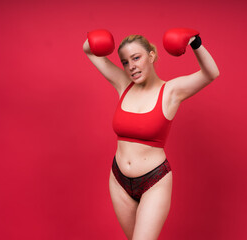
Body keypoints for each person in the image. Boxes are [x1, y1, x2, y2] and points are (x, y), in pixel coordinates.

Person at [83, 28, 220, 240]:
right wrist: (100, 40)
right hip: (118, 179)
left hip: (154, 181)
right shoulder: (123, 84)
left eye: (136, 58)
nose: (131, 66)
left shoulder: (171, 91)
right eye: (125, 62)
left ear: (151, 55)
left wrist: (195, 41)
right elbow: (89, 50)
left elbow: (211, 73)